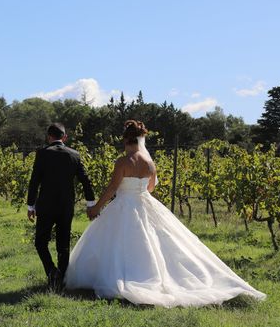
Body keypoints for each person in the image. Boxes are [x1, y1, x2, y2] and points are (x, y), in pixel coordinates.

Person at [64, 120, 266, 307]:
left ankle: (126, 278)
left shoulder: (122, 162)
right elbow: (150, 188)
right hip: (145, 202)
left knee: (119, 242)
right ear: (140, 139)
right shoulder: (150, 163)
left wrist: (97, 207)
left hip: (125, 204)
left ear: (125, 139)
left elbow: (111, 189)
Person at [27, 123, 95, 290]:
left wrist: (30, 205)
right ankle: (62, 279)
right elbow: (85, 180)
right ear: (64, 137)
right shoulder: (75, 155)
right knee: (63, 244)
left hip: (46, 206)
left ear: (49, 137)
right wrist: (90, 203)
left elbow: (34, 181)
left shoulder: (42, 154)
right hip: (66, 205)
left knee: (40, 242)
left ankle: (51, 271)